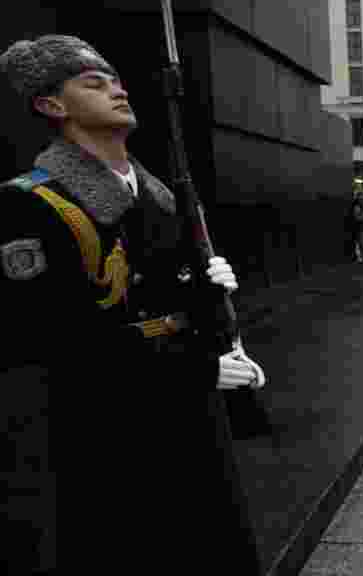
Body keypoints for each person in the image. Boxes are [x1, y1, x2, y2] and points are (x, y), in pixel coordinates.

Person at [0, 35, 266, 573]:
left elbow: (172, 299)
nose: (117, 91)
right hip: (109, 433)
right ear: (52, 105)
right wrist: (197, 369)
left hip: (191, 418)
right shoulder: (31, 204)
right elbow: (51, 343)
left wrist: (213, 300)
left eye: (117, 81)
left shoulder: (163, 197)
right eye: (93, 84)